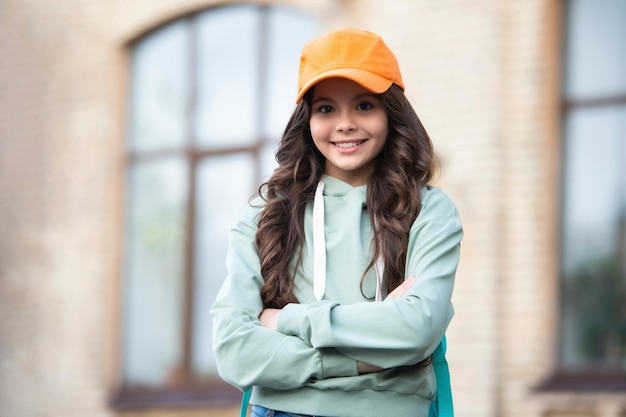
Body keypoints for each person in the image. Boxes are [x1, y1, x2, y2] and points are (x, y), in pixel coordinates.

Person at [211, 28, 463, 417]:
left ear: (391, 114)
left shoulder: (428, 210)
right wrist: (357, 361)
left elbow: (416, 328)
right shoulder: (266, 214)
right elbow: (233, 351)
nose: (345, 124)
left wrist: (286, 320)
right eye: (326, 108)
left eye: (364, 105)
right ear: (307, 120)